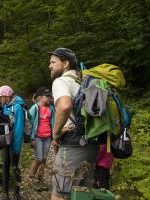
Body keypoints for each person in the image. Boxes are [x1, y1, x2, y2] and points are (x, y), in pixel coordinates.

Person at [49, 48, 98, 200]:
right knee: (81, 193)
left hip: (72, 146)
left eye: (53, 62)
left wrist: (56, 133)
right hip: (91, 144)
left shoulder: (62, 81)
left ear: (65, 64)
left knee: (60, 195)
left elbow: (64, 106)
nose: (49, 66)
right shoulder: (84, 82)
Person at [0, 85, 25, 200]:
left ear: (6, 96)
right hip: (6, 142)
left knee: (15, 167)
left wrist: (16, 148)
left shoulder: (17, 108)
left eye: (0, 97)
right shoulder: (2, 106)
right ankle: (4, 192)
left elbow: (19, 129)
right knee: (5, 165)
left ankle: (16, 192)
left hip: (15, 143)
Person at [28, 86, 55, 192]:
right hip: (37, 137)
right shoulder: (34, 108)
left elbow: (52, 122)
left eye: (50, 96)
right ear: (40, 97)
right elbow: (29, 124)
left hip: (47, 137)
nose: (49, 98)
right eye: (47, 96)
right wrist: (31, 138)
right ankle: (31, 175)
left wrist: (53, 137)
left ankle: (39, 180)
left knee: (44, 160)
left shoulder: (51, 109)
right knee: (38, 158)